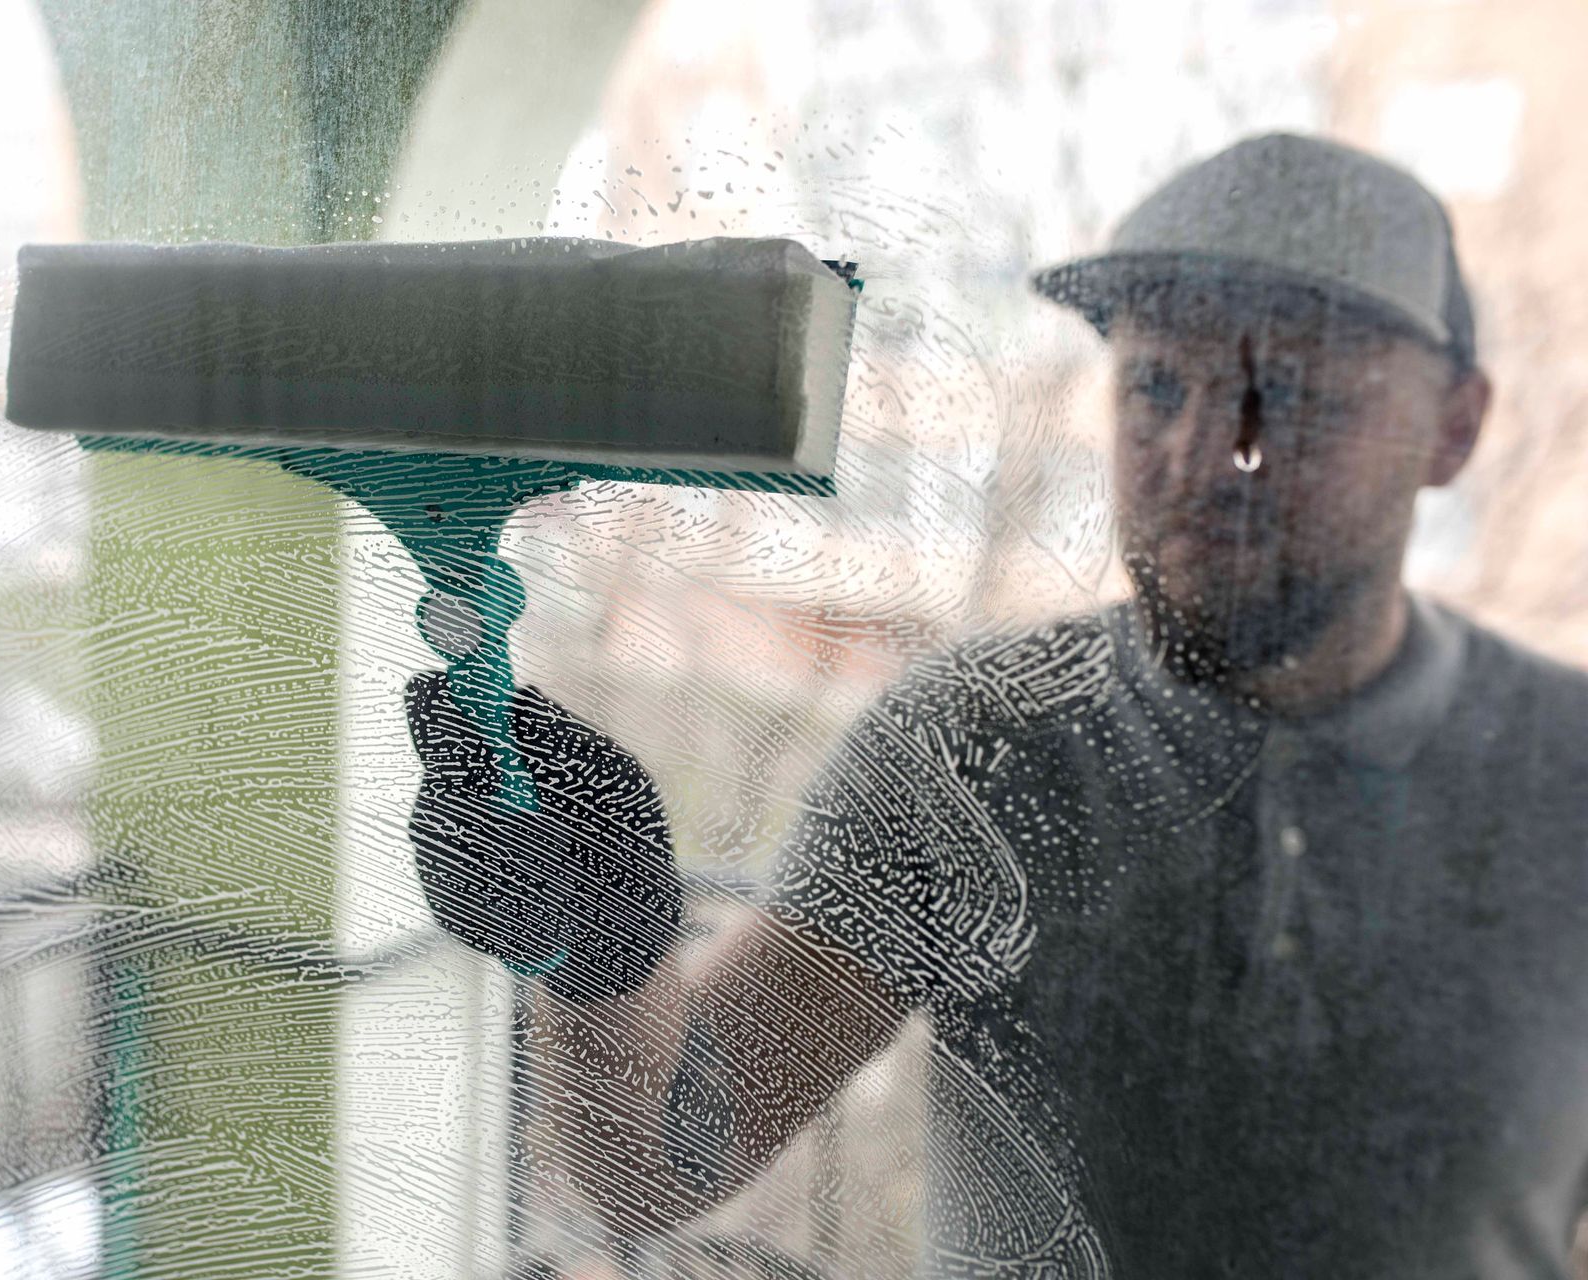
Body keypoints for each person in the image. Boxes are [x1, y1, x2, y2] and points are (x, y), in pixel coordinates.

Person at [404, 133, 1588, 1277]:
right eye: (1158, 385)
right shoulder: (984, 741)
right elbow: (658, 1170)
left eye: (1289, 393)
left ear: (1455, 426)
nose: (1200, 456)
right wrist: (606, 951)